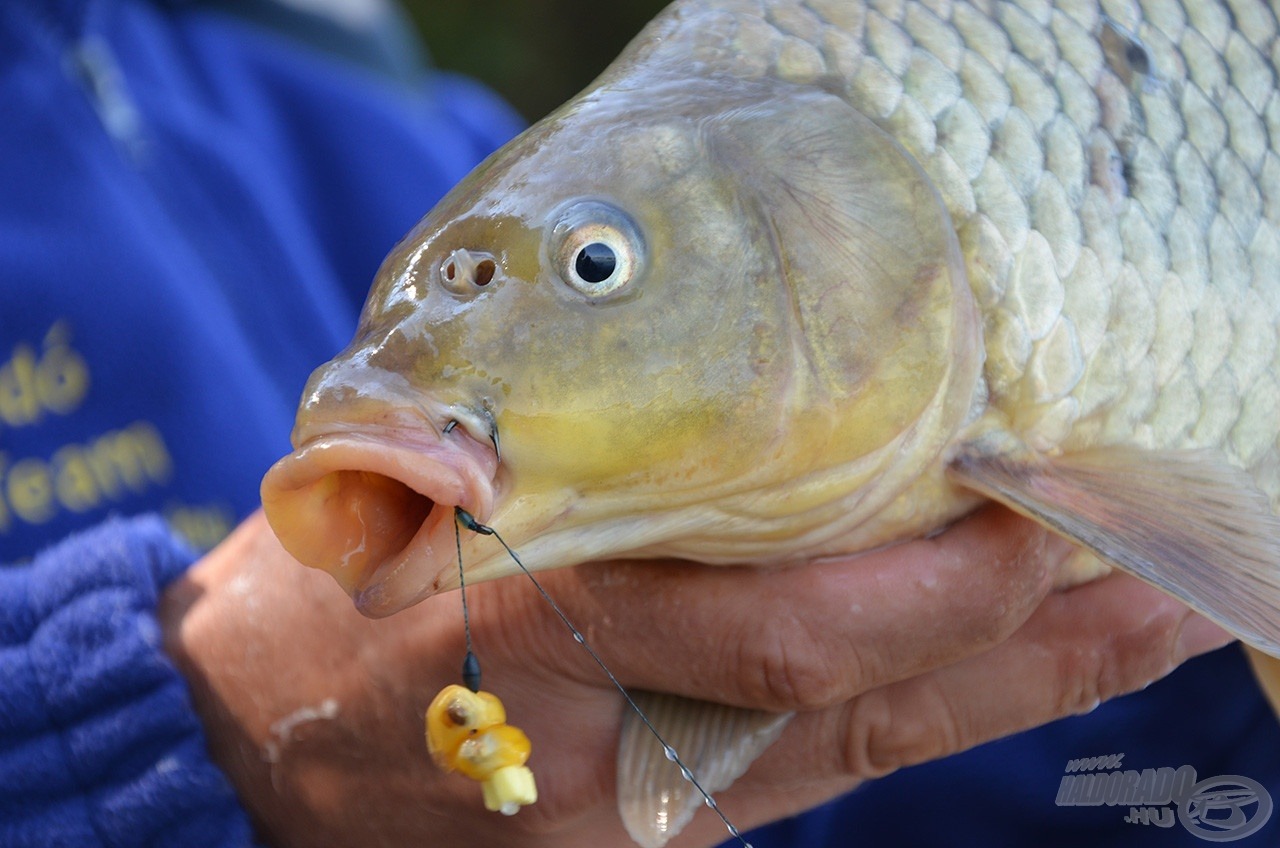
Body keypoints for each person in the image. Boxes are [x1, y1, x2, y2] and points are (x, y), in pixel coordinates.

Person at [2, 1, 1275, 846]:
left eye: (595, 262)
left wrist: (1208, 702)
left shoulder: (339, 102)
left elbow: (991, 794)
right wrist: (189, 733)